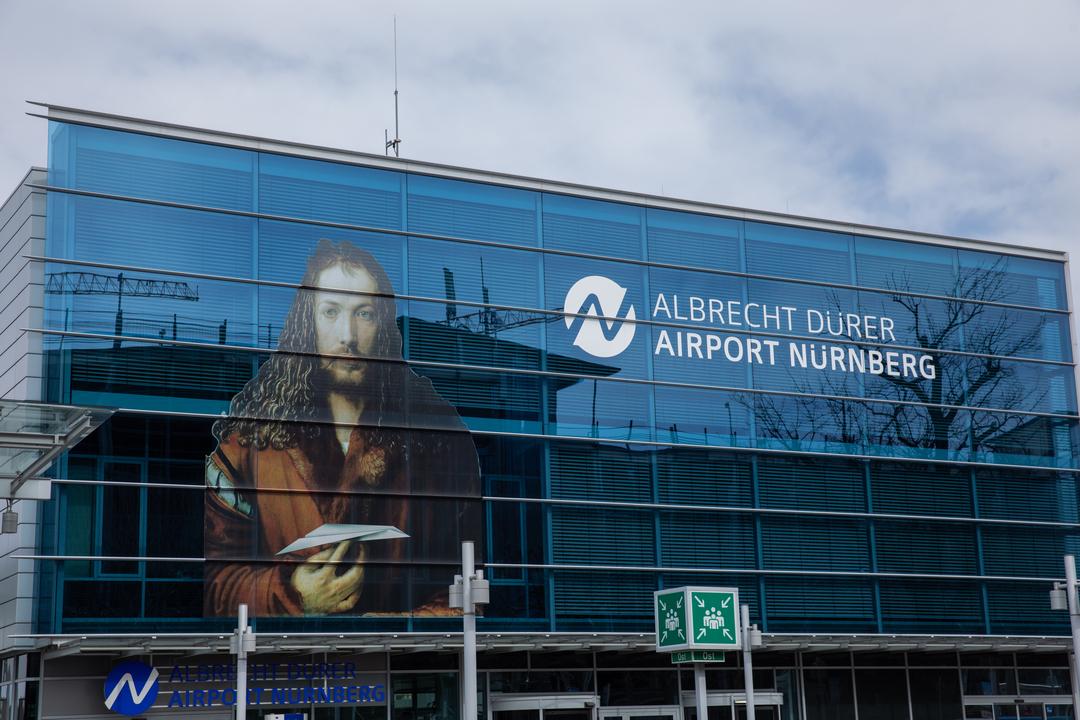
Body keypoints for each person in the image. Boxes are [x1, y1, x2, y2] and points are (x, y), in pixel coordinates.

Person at [204, 239, 480, 616]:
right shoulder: (249, 446)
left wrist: (391, 629)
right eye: (331, 312)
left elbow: (468, 583)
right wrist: (290, 594)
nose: (347, 336)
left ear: (383, 327)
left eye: (364, 314)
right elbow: (212, 580)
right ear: (308, 324)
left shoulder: (440, 442)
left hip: (398, 664)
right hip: (277, 663)